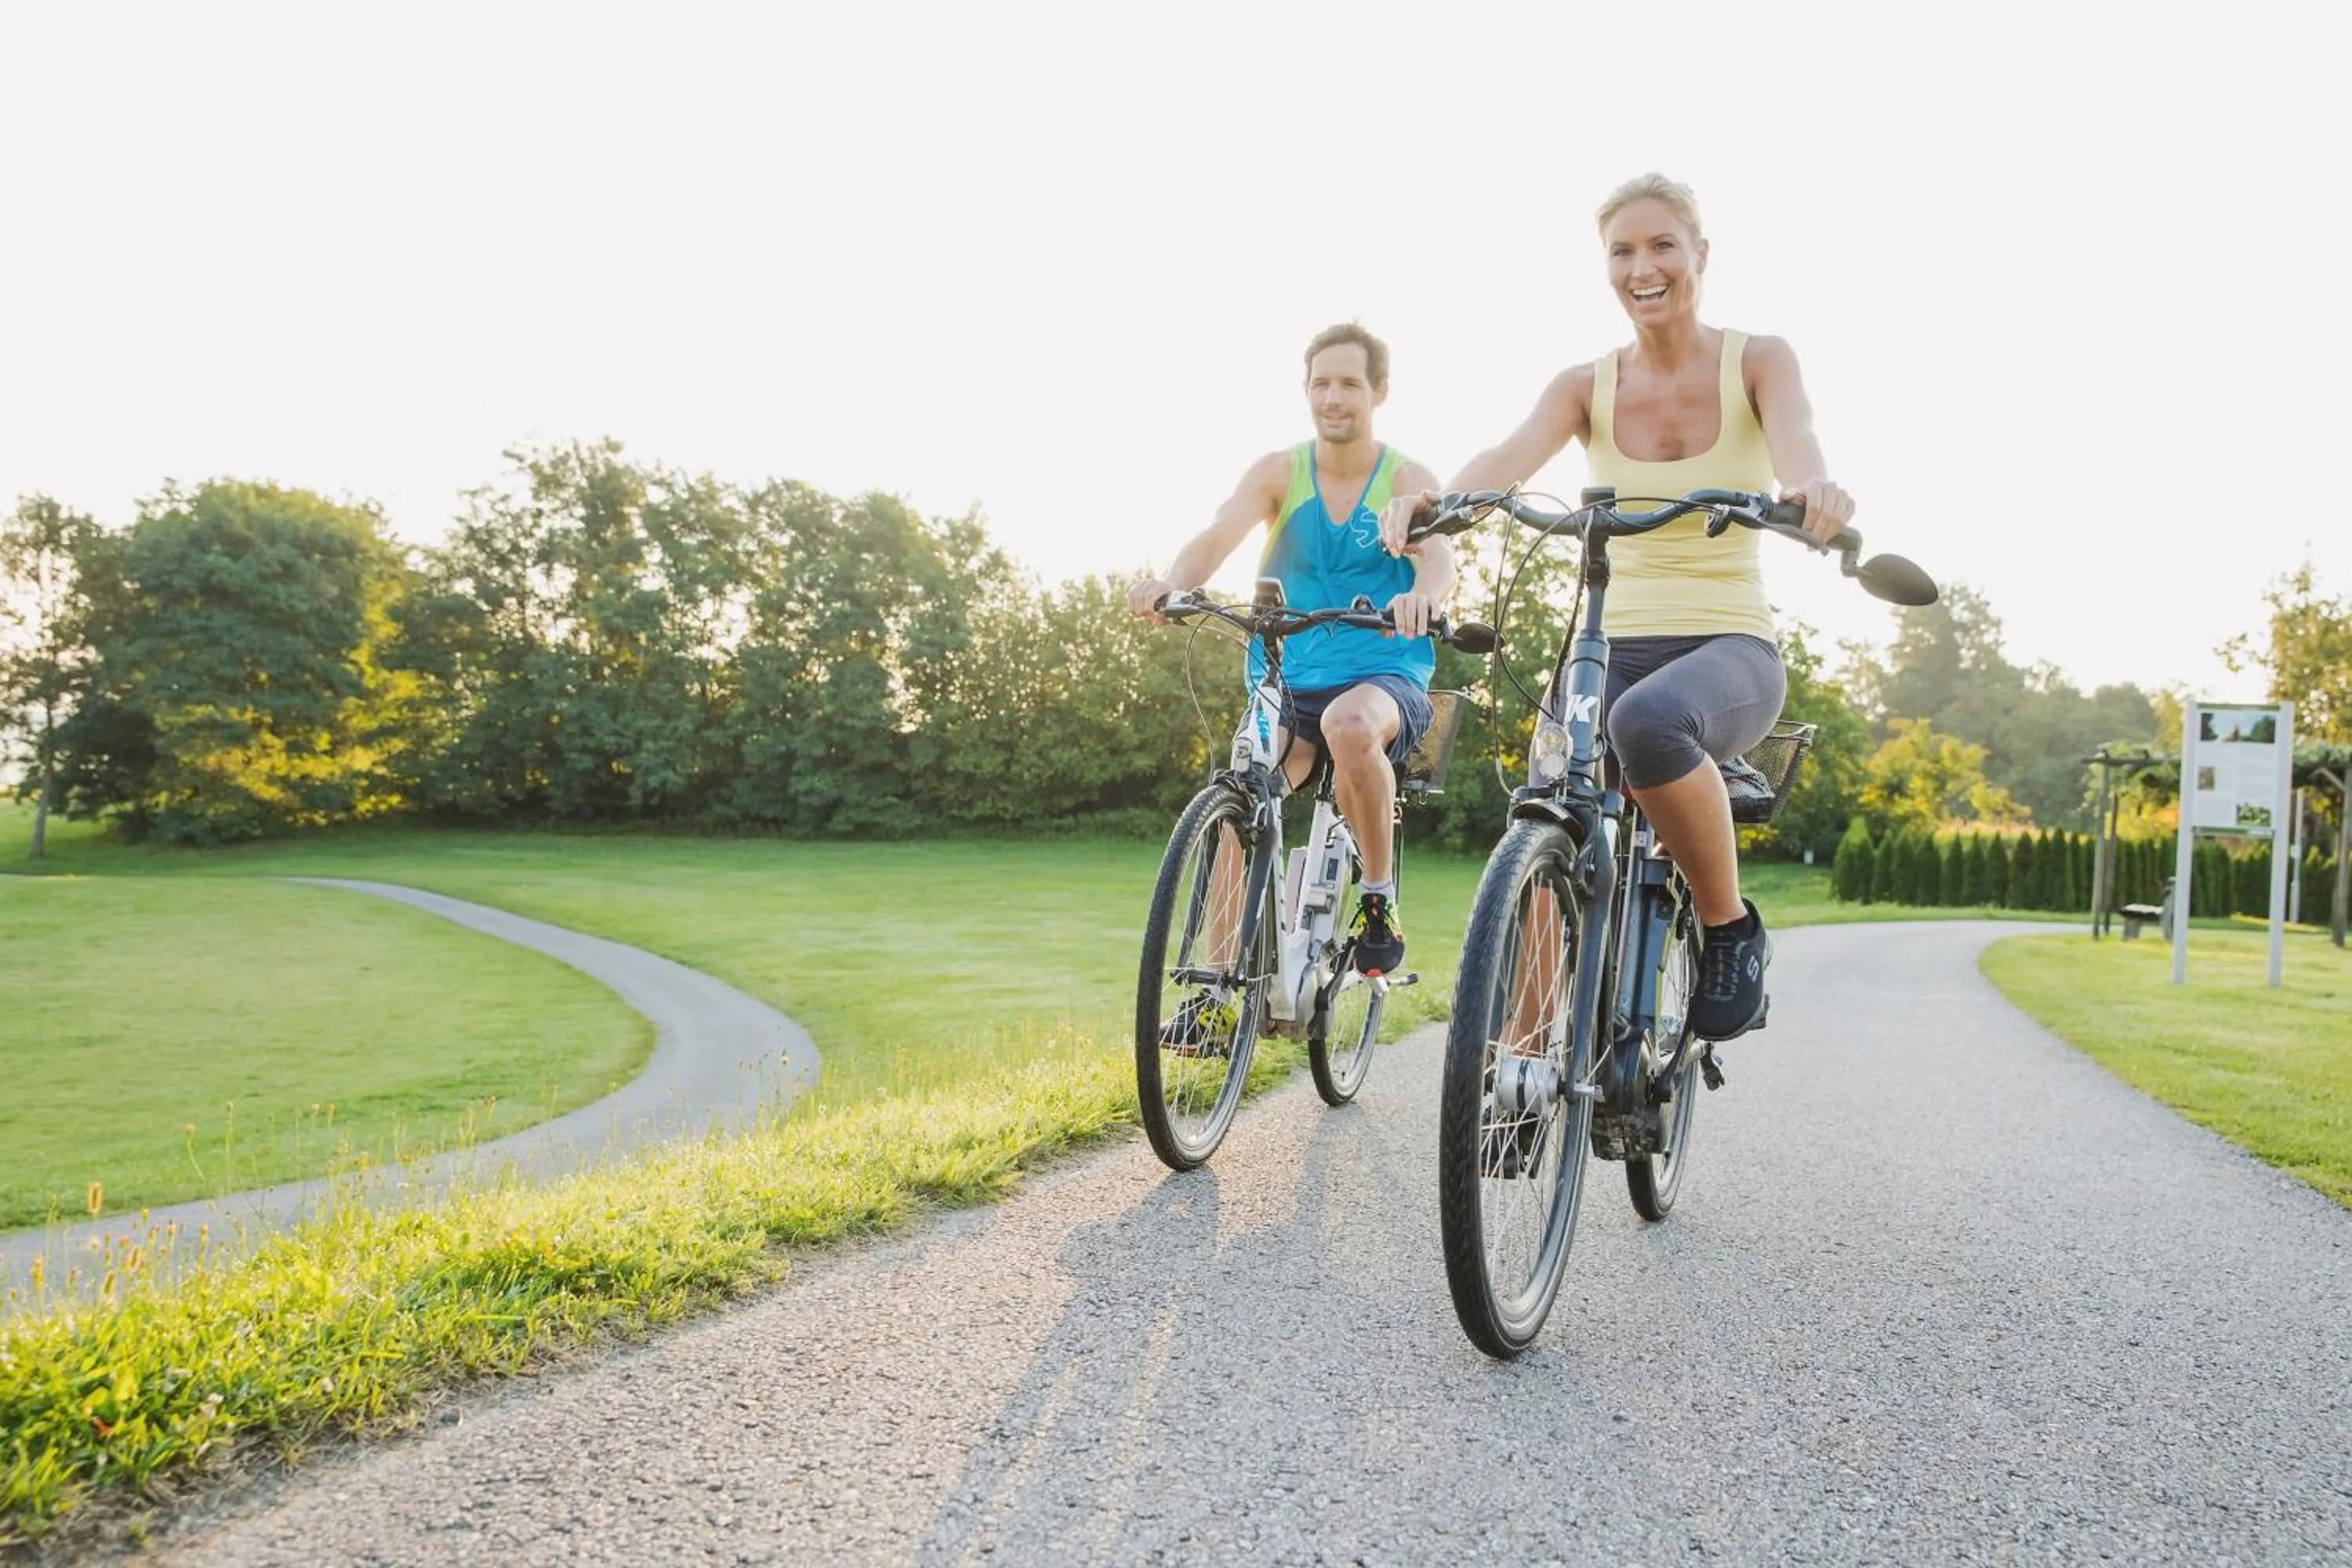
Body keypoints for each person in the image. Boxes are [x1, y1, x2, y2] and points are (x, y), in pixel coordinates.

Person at [1381, 173, 1855, 1041]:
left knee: (1645, 723)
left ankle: (1727, 926)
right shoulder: (1583, 384)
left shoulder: (1758, 359)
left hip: (1728, 647)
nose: (1645, 267)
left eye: (1662, 245)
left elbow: (1797, 438)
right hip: (1609, 643)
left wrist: (1810, 490)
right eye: (1624, 251)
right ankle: (1521, 1067)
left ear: (1699, 256)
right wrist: (1435, 503)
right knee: (1546, 807)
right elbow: (1508, 456)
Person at [1129, 322, 1456, 1046]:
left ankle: (1376, 900)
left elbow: (1438, 558)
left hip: (1380, 672)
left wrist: (1422, 597)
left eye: (1348, 383)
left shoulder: (1404, 478)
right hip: (1287, 674)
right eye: (1320, 384)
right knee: (1247, 787)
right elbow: (1219, 535)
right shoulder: (1280, 471)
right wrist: (1173, 585)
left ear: (1379, 393)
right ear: (1306, 391)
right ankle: (1215, 993)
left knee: (1349, 727)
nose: (1333, 397)